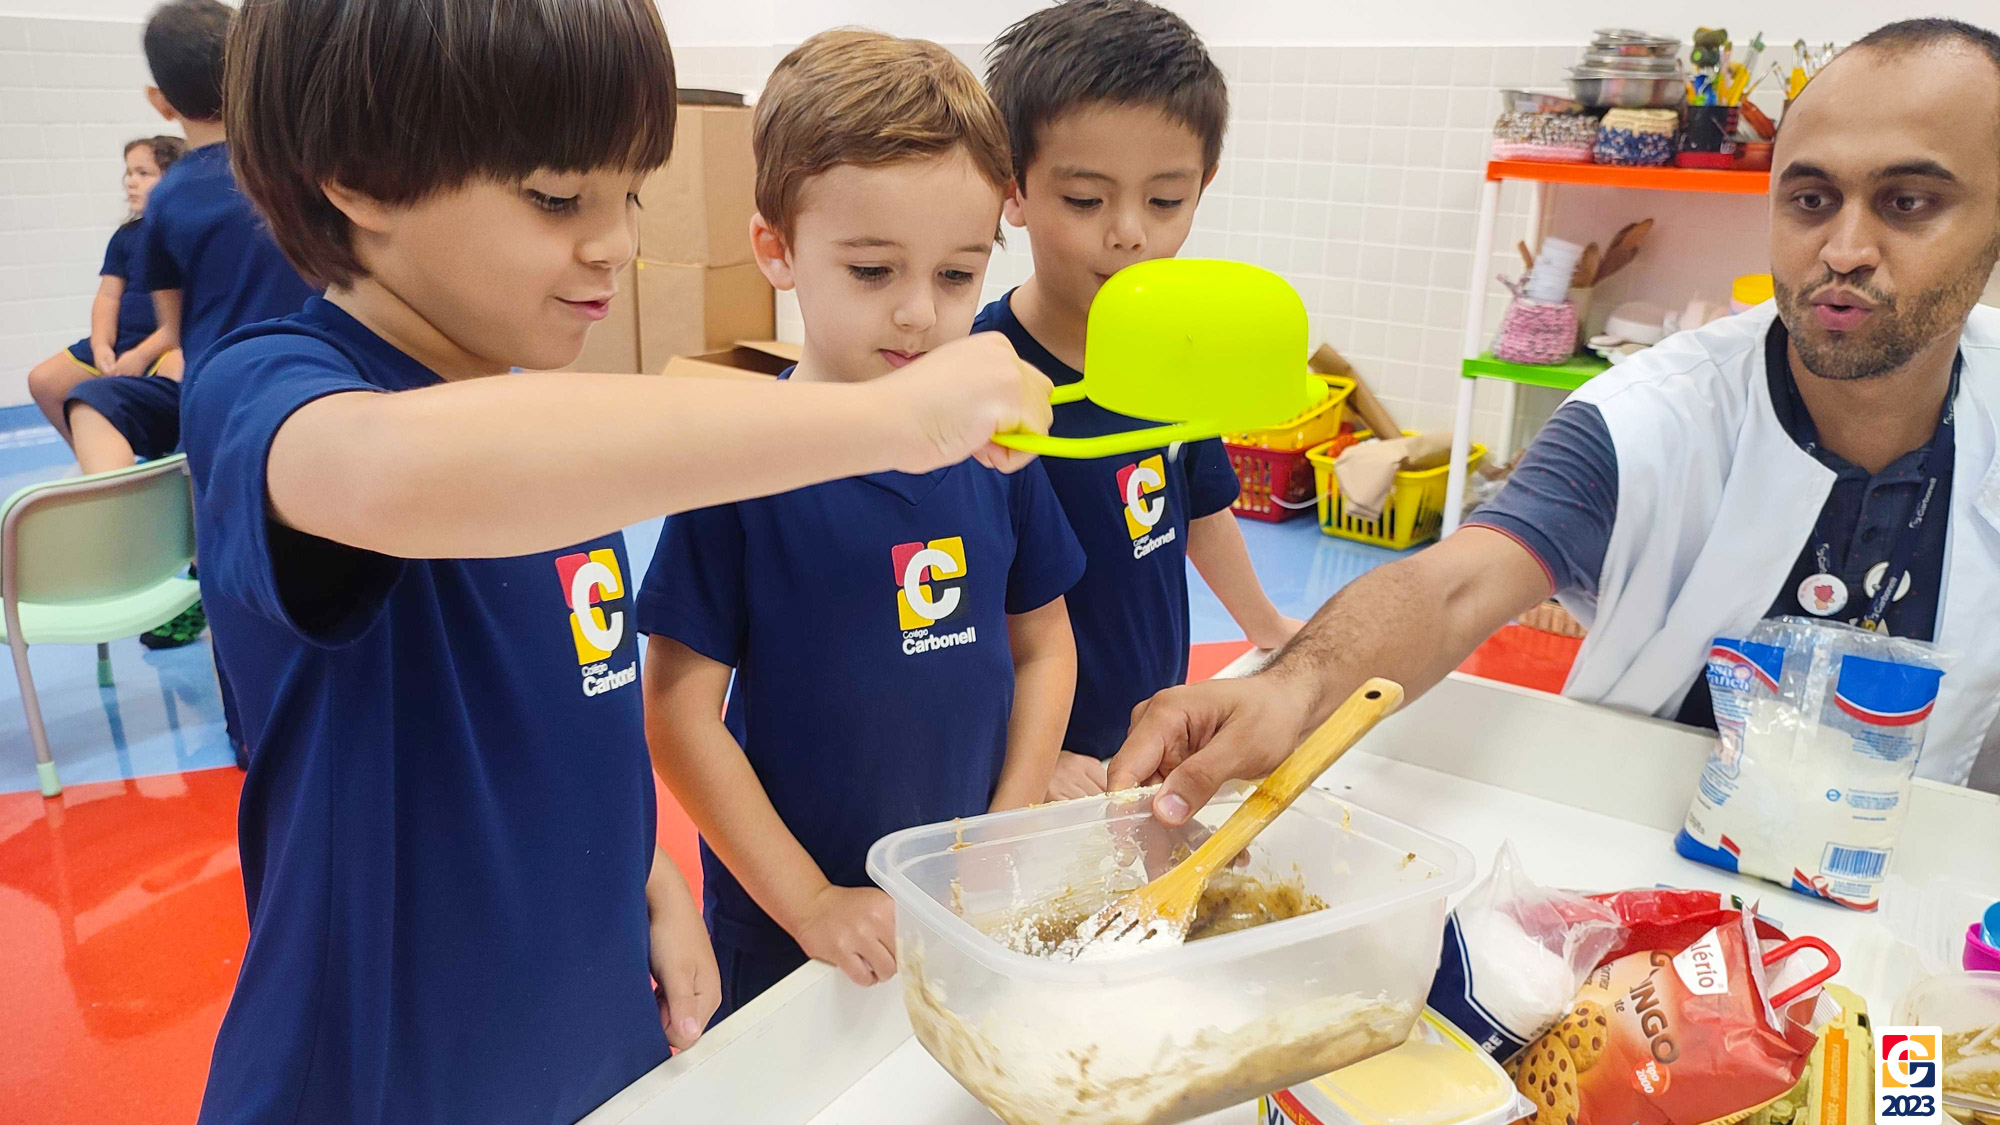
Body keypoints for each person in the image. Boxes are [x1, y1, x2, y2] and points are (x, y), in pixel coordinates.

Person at [182, 3, 1053, 1122]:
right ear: (358, 179)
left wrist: (649, 877)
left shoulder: (550, 438)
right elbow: (387, 469)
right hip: (382, 1076)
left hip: (590, 1041)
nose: (616, 245)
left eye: (628, 194)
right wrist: (889, 420)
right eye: (558, 199)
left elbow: (567, 708)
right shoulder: (269, 391)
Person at [1110, 17, 2000, 819]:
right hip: (1651, 852)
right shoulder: (1649, 421)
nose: (1844, 249)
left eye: (1908, 203)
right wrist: (1294, 687)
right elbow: (1452, 587)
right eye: (1810, 200)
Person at [639, 30, 1086, 1026]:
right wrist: (808, 901)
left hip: (964, 904)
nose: (919, 313)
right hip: (790, 931)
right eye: (874, 271)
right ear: (777, 250)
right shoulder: (739, 466)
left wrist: (1007, 823)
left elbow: (1045, 643)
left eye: (958, 275)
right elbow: (677, 715)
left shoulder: (995, 449)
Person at [974, 0, 1302, 802]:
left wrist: (1269, 629)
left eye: (1165, 202)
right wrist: (1035, 753)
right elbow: (963, 606)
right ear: (1014, 188)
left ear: (1203, 186)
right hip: (1033, 761)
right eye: (1086, 201)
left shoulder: (1172, 357)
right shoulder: (982, 378)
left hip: (1154, 730)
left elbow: (1200, 508)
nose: (1129, 234)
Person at [64, 0, 318, 478]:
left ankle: (124, 509)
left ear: (160, 102)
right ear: (252, 75)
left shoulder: (169, 198)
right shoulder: (303, 169)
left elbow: (174, 326)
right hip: (322, 374)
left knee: (91, 400)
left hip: (220, 397)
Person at [24, 135, 187, 445]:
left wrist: (141, 355)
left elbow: (181, 315)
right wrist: (101, 345)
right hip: (120, 342)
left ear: (174, 179)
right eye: (129, 172)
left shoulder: (183, 234)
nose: (131, 182)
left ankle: (173, 456)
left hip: (165, 344)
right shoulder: (126, 236)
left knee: (182, 377)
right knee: (43, 381)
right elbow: (108, 297)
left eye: (143, 173)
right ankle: (94, 455)